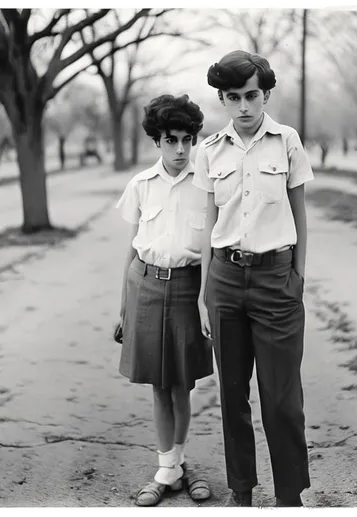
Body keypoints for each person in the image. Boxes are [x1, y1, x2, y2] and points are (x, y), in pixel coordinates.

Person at [193, 50, 314, 507]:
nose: (244, 106)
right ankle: (241, 491)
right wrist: (207, 289)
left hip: (276, 280)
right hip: (225, 278)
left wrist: (297, 277)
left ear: (264, 95)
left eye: (252, 96)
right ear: (223, 99)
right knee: (232, 395)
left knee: (282, 397)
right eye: (233, 97)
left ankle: (289, 495)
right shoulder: (208, 151)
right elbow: (209, 223)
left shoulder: (286, 141)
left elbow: (300, 215)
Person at [116, 94, 213, 507]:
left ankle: (173, 467)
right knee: (158, 383)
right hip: (147, 286)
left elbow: (212, 246)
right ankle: (168, 468)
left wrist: (209, 300)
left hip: (190, 288)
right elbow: (133, 248)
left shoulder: (206, 184)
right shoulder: (140, 185)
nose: (179, 149)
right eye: (170, 140)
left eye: (186, 140)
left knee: (182, 384)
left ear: (193, 140)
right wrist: (123, 307)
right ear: (157, 140)